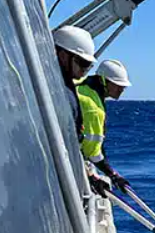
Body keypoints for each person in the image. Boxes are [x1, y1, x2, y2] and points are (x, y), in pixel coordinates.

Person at [77, 60, 133, 194]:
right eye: (118, 85)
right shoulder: (93, 109)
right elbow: (92, 152)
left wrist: (112, 175)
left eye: (123, 86)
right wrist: (95, 176)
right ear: (104, 81)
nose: (122, 89)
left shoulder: (82, 87)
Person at [52, 26, 96, 139]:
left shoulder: (62, 84)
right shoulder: (56, 89)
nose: (85, 69)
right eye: (83, 63)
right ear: (63, 56)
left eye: (89, 65)